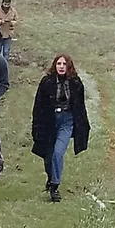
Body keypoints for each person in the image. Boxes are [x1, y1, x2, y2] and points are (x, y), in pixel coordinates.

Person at [31, 54, 90, 203]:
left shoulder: (76, 83)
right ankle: (51, 178)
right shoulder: (47, 82)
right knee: (48, 155)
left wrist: (82, 127)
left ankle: (55, 186)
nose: (61, 66)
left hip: (67, 121)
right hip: (49, 121)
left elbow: (80, 108)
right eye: (59, 63)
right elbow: (38, 106)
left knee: (58, 153)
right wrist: (37, 127)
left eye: (64, 64)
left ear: (69, 66)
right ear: (54, 66)